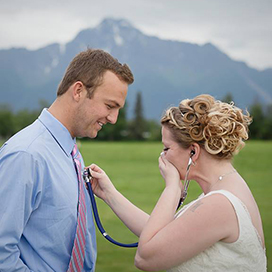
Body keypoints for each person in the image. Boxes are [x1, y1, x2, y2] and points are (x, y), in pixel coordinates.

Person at [88, 94, 267, 271]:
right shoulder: (223, 191)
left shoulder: (220, 204)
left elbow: (145, 257)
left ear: (193, 152)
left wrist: (172, 188)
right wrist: (109, 194)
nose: (162, 156)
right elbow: (162, 236)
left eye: (167, 148)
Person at [0, 48, 134, 271]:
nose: (113, 119)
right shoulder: (27, 155)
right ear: (79, 91)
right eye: (110, 106)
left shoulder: (70, 150)